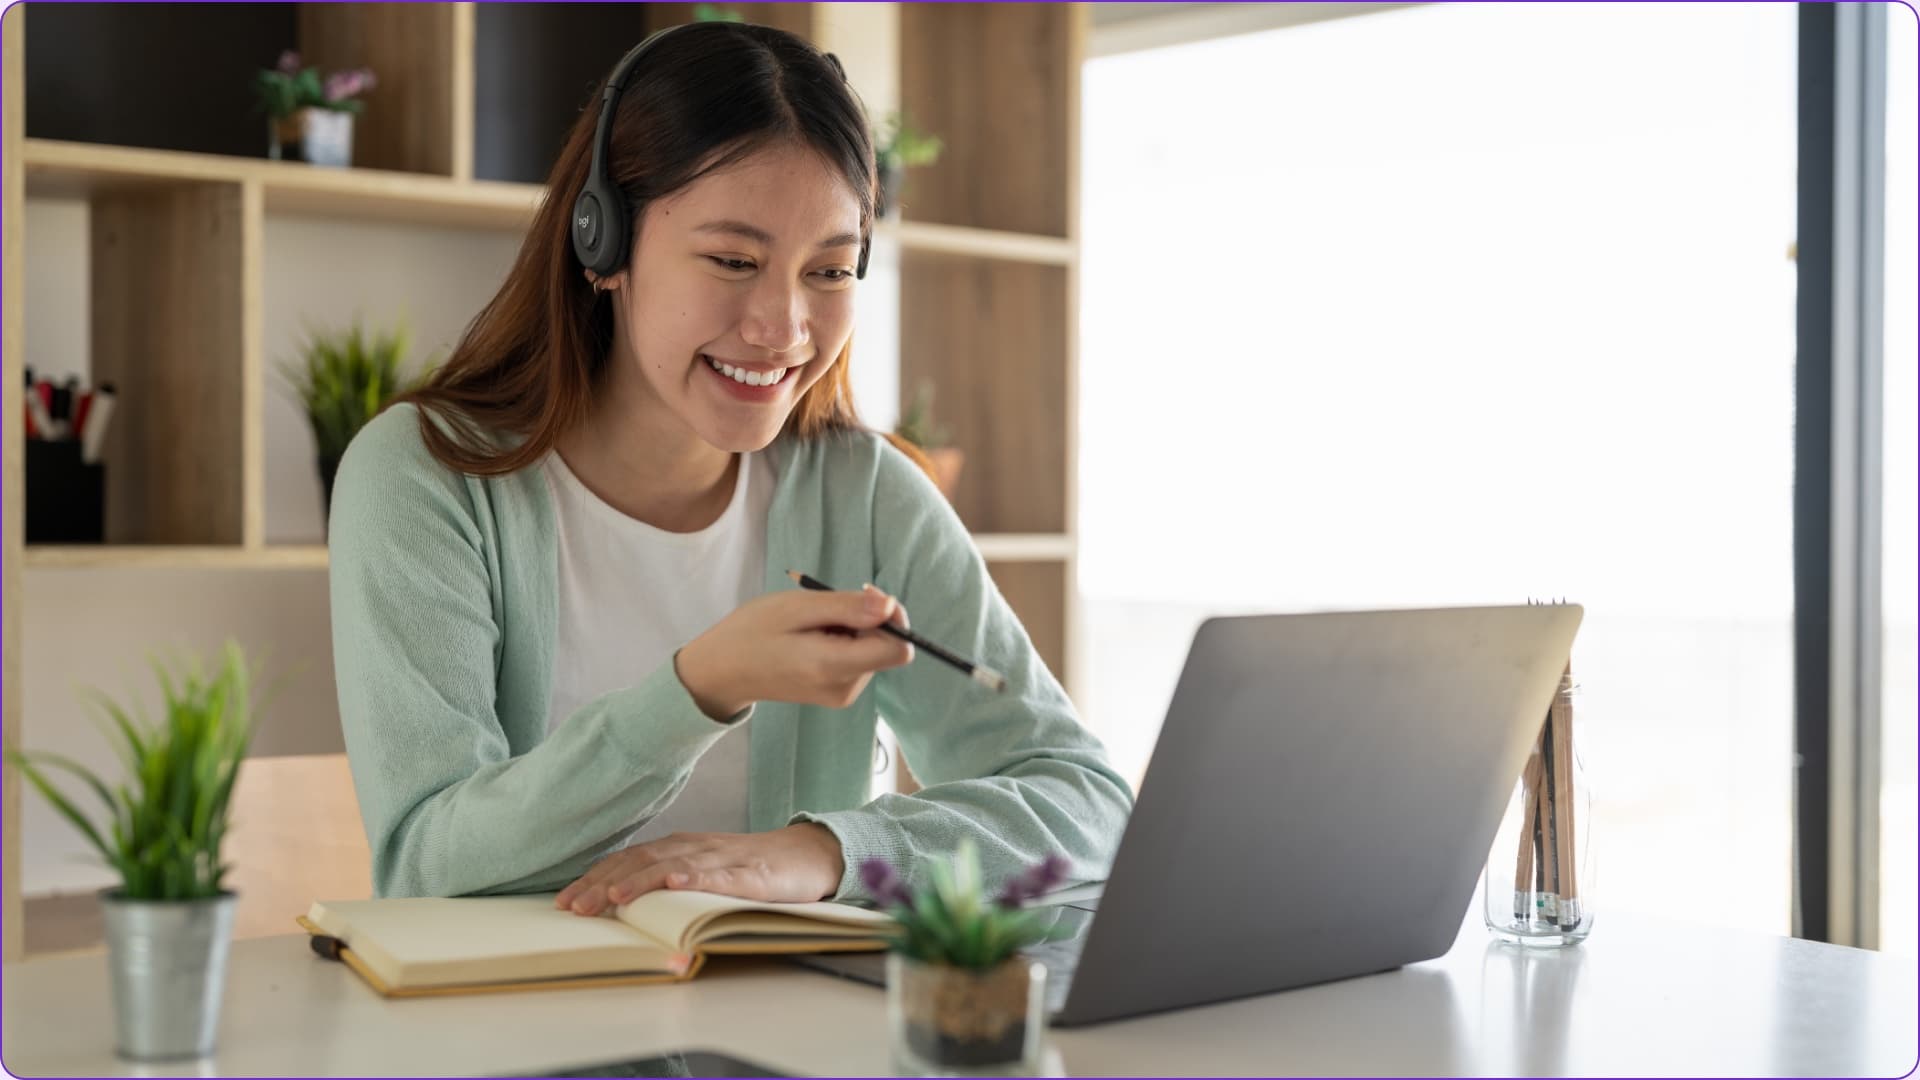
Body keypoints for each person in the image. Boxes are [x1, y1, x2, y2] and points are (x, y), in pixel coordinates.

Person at [327, 20, 1132, 916]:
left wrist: (828, 853)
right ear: (604, 245)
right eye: (733, 261)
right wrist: (699, 688)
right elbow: (426, 866)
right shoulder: (424, 479)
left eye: (829, 272)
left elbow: (1089, 804)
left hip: (784, 1039)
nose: (783, 327)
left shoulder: (863, 495)